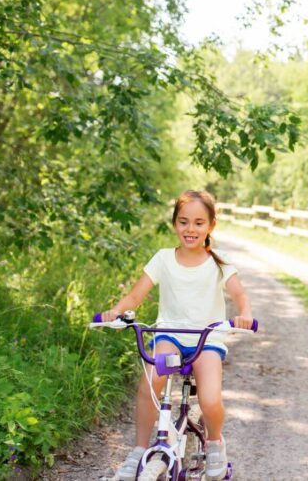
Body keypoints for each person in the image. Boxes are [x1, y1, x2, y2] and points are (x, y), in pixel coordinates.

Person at [101, 190, 254, 481]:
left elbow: (240, 294)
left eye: (198, 223)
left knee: (209, 398)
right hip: (169, 333)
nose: (190, 229)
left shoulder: (218, 263)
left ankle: (215, 442)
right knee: (150, 383)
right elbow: (135, 296)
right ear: (174, 224)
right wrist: (115, 312)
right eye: (183, 222)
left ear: (210, 226)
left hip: (205, 339)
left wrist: (244, 313)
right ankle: (137, 452)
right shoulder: (163, 259)